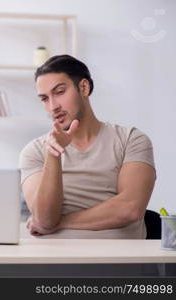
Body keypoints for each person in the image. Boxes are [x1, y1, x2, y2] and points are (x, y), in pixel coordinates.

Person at [19, 55, 156, 239]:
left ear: (84, 87)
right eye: (44, 98)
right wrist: (53, 155)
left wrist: (60, 222)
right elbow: (44, 220)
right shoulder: (34, 151)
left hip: (121, 261)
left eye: (59, 92)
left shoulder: (131, 139)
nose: (53, 106)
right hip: (53, 260)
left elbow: (129, 209)